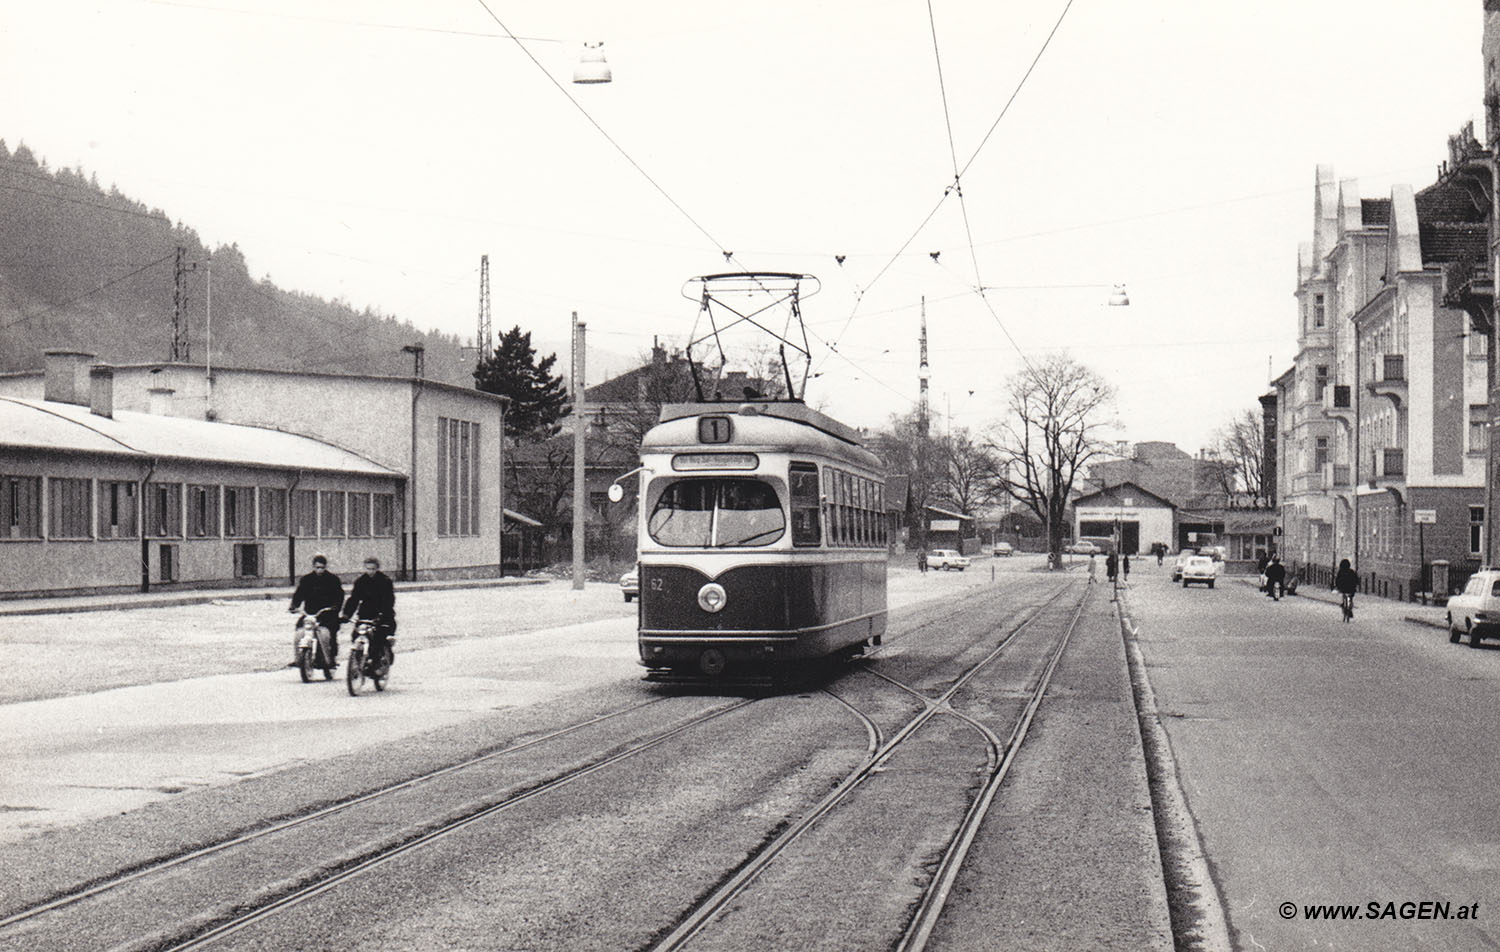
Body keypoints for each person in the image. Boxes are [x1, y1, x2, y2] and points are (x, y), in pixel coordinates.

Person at [343, 556, 397, 673]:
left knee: (378, 638)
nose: (370, 571)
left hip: (382, 615)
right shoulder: (361, 581)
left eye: (373, 569)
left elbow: (389, 600)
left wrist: (383, 614)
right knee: (356, 635)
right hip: (365, 614)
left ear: (377, 568)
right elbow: (354, 599)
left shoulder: (385, 581)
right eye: (368, 569)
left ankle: (378, 663)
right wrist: (346, 614)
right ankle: (358, 660)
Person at [288, 554, 343, 665]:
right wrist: (294, 605)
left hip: (327, 613)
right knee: (300, 628)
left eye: (322, 567)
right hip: (311, 612)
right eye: (317, 567)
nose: (319, 570)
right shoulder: (307, 580)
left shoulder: (333, 580)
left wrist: (335, 607)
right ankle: (299, 658)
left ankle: (331, 657)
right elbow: (299, 594)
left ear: (325, 567)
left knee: (330, 631)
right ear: (313, 567)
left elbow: (339, 596)